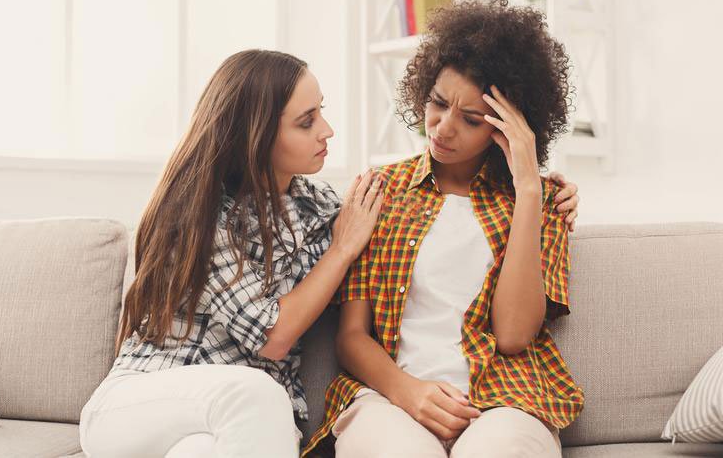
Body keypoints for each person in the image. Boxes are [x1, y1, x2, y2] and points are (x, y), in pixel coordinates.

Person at [79, 47, 580, 458]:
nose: (328, 131)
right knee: (258, 395)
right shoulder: (204, 213)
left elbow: (513, 330)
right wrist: (343, 249)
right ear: (255, 135)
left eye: (323, 112)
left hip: (236, 422)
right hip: (150, 399)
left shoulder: (319, 205)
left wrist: (534, 192)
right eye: (306, 121)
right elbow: (276, 336)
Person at [304, 0, 584, 458]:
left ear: (508, 128)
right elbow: (352, 337)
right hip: (390, 399)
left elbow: (515, 335)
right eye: (437, 103)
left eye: (471, 119)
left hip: (505, 402)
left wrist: (530, 191)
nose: (443, 128)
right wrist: (409, 392)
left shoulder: (543, 202)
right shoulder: (382, 192)